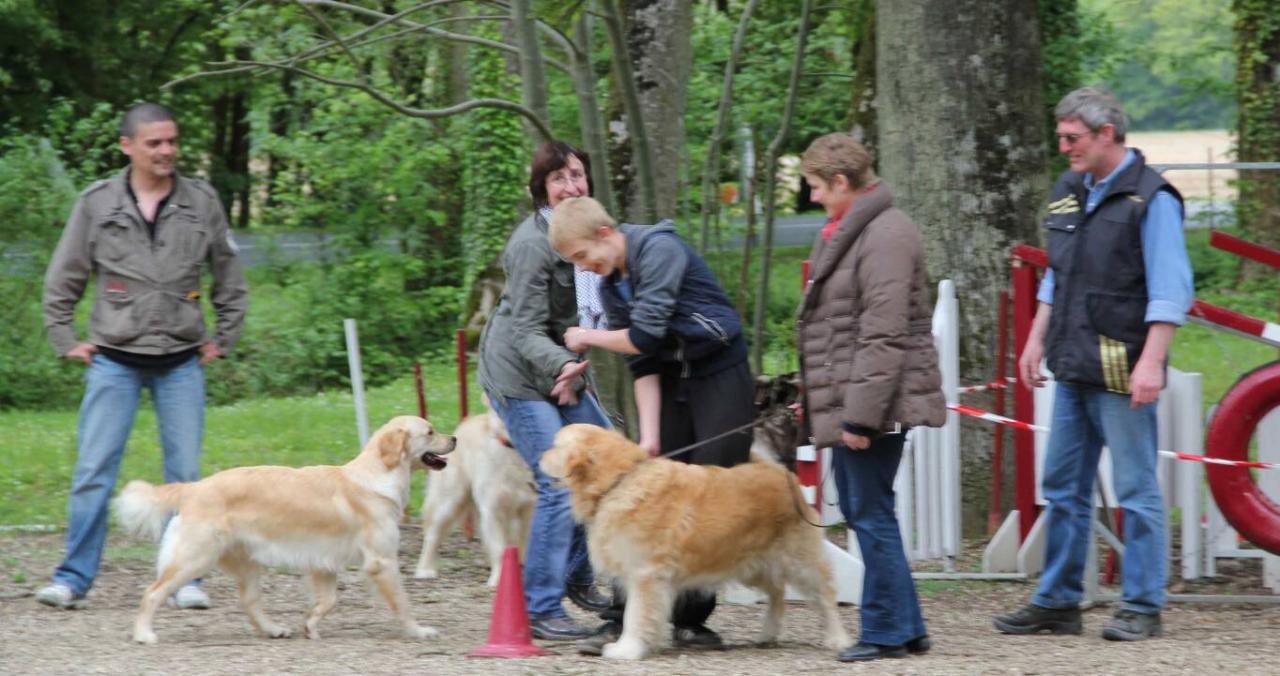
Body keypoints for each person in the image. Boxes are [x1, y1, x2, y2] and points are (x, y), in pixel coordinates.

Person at [993, 87, 1193, 641]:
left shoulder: (1152, 200)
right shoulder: (1069, 190)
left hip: (1123, 368)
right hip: (1073, 362)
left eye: (1071, 137)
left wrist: (1152, 364)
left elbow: (1171, 292)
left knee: (1135, 490)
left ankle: (1143, 604)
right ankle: (1057, 601)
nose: (1063, 147)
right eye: (1060, 137)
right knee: (1062, 486)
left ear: (1107, 134)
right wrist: (1036, 340)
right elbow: (1057, 274)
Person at [37, 102, 249, 610]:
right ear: (127, 146)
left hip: (181, 360)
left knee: (187, 478)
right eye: (154, 143)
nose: (166, 151)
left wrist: (225, 335)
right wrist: (65, 338)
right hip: (114, 358)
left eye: (172, 141)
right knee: (94, 471)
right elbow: (62, 276)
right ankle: (72, 579)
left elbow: (229, 275)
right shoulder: (97, 203)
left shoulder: (202, 201)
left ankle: (185, 579)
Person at [549, 195, 754, 653]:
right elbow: (643, 363)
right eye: (573, 263)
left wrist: (587, 336)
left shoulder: (659, 251)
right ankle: (625, 621)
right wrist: (651, 437)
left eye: (583, 256)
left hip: (720, 375)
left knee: (714, 493)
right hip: (671, 384)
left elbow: (645, 335)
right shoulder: (609, 285)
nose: (584, 268)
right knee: (649, 496)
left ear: (605, 234)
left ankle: (690, 621)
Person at [795, 133, 945, 662]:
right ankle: (908, 627)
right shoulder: (852, 231)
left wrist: (858, 417)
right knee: (869, 508)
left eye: (815, 186)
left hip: (874, 403)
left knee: (869, 512)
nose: (812, 197)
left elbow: (882, 335)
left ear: (841, 182)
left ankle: (884, 631)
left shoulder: (884, 235)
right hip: (857, 397)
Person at [476, 141, 613, 641]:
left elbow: (594, 313)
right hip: (520, 374)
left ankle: (577, 573)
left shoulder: (595, 229)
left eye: (577, 175)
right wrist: (566, 364)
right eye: (559, 179)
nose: (571, 186)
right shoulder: (533, 244)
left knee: (604, 463)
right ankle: (539, 608)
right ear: (543, 190)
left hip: (565, 371)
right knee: (558, 482)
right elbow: (525, 330)